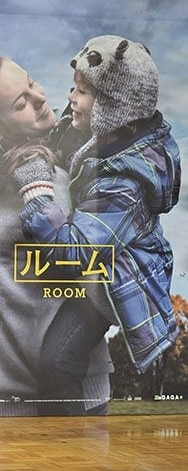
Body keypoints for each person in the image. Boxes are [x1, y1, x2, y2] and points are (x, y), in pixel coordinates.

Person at [0, 53, 113, 416]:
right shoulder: (47, 181)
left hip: (22, 392)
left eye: (32, 83)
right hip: (71, 390)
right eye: (21, 102)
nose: (40, 98)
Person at [12, 35, 181, 414]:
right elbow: (57, 135)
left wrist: (37, 187)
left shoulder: (125, 184)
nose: (71, 96)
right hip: (99, 263)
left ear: (113, 108)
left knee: (56, 362)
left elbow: (71, 253)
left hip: (118, 279)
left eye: (84, 92)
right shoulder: (100, 133)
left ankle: (69, 449)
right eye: (75, 86)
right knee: (53, 357)